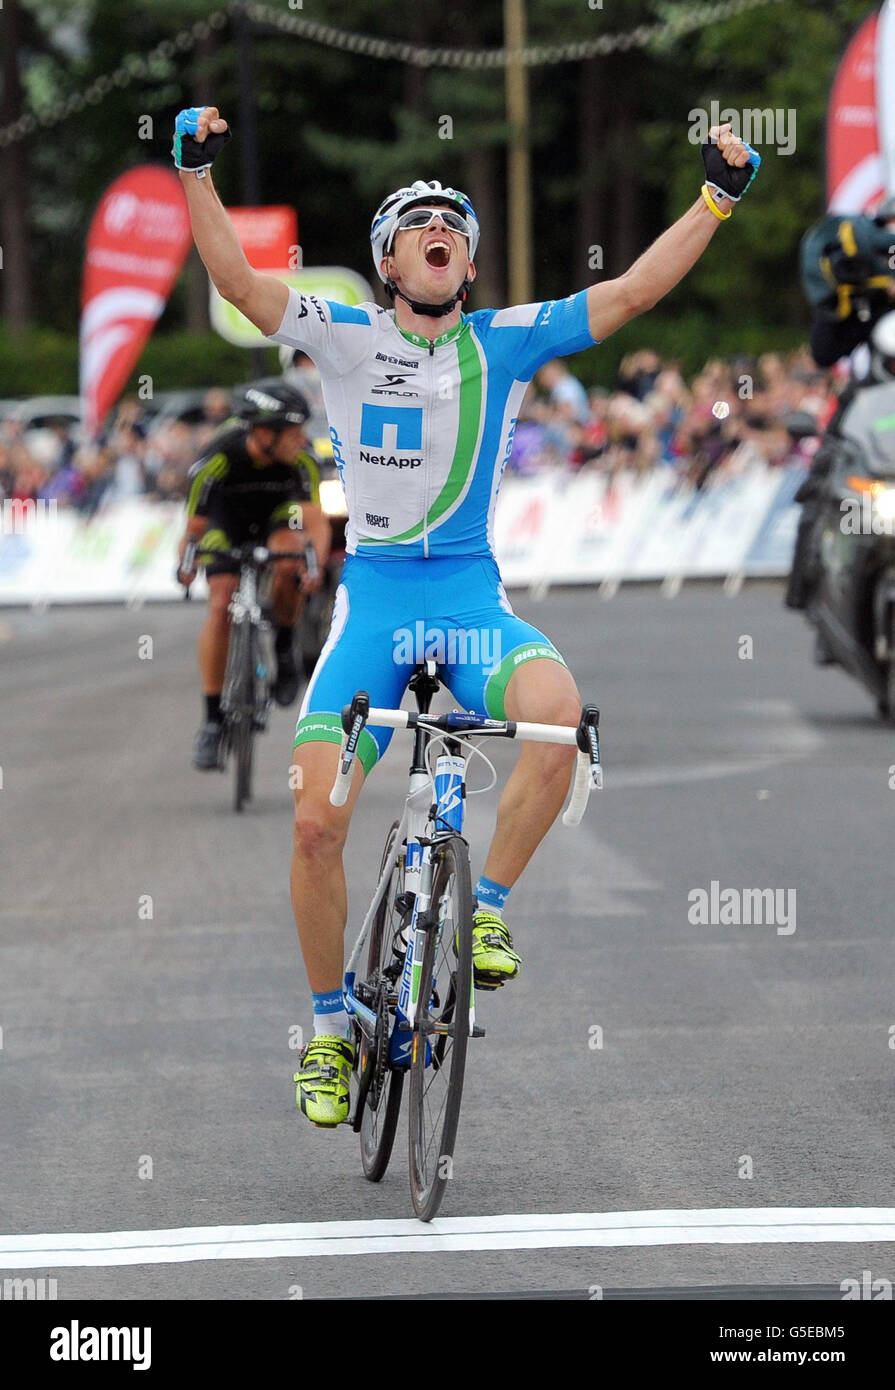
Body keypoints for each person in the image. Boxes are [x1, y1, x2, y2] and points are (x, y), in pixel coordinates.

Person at [173, 103, 760, 1127]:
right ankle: (325, 1030)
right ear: (388, 259)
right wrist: (195, 174)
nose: (439, 227)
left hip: (470, 604)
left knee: (557, 716)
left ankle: (483, 907)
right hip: (376, 606)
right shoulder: (344, 336)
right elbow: (236, 283)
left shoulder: (504, 339)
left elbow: (629, 292)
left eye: (455, 221)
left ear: (468, 264)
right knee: (315, 825)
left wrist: (715, 197)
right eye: (415, 221)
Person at [176, 380, 331, 770]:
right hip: (225, 521)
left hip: (277, 518)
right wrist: (187, 563)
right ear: (264, 432)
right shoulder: (217, 457)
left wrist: (314, 565)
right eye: (293, 433)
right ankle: (212, 721)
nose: (301, 440)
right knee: (219, 602)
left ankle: (284, 640)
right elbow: (193, 527)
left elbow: (315, 524)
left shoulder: (302, 459)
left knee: (288, 557)